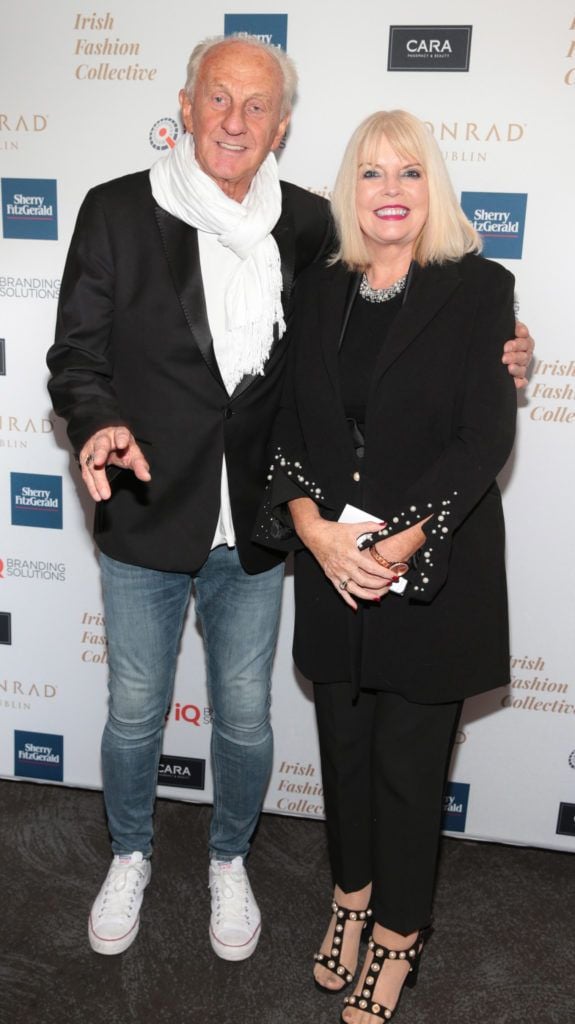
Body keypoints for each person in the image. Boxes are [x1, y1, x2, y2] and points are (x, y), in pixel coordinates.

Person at [47, 35, 532, 964]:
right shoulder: (116, 211)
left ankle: (230, 859)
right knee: (136, 711)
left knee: (245, 717)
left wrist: (506, 345)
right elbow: (77, 355)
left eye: (257, 105)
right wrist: (96, 419)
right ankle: (131, 851)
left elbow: (398, 301)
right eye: (218, 99)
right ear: (185, 106)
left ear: (281, 125)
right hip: (148, 512)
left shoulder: (307, 223)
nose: (235, 121)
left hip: (265, 529)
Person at [257, 109, 518, 1022]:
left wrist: (398, 540)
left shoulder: (480, 289)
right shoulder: (317, 289)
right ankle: (350, 902)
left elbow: (482, 436)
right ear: (350, 190)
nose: (390, 191)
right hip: (331, 570)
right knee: (345, 755)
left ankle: (401, 938)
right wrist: (315, 531)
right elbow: (289, 425)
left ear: (431, 185)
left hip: (428, 576)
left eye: (408, 172)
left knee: (410, 770)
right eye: (371, 173)